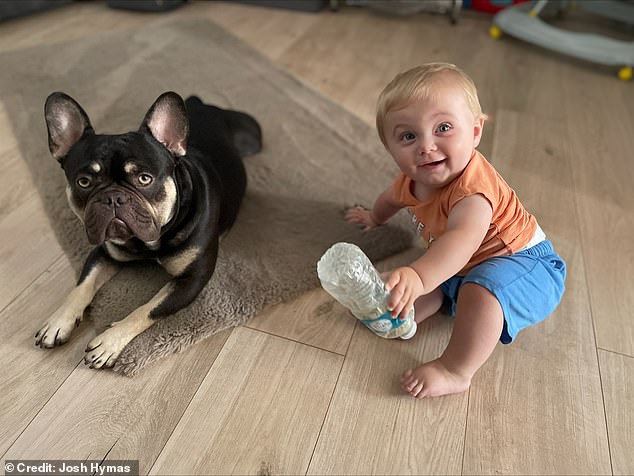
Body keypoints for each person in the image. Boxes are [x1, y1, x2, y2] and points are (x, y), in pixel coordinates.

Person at [345, 63, 566, 398]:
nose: (426, 146)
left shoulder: (473, 192)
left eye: (443, 128)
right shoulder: (412, 181)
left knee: (475, 288)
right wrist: (375, 218)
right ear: (390, 148)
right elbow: (391, 199)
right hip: (465, 264)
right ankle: (399, 314)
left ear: (475, 131)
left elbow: (461, 241)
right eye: (408, 136)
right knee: (417, 281)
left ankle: (455, 370)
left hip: (525, 265)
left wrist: (418, 276)